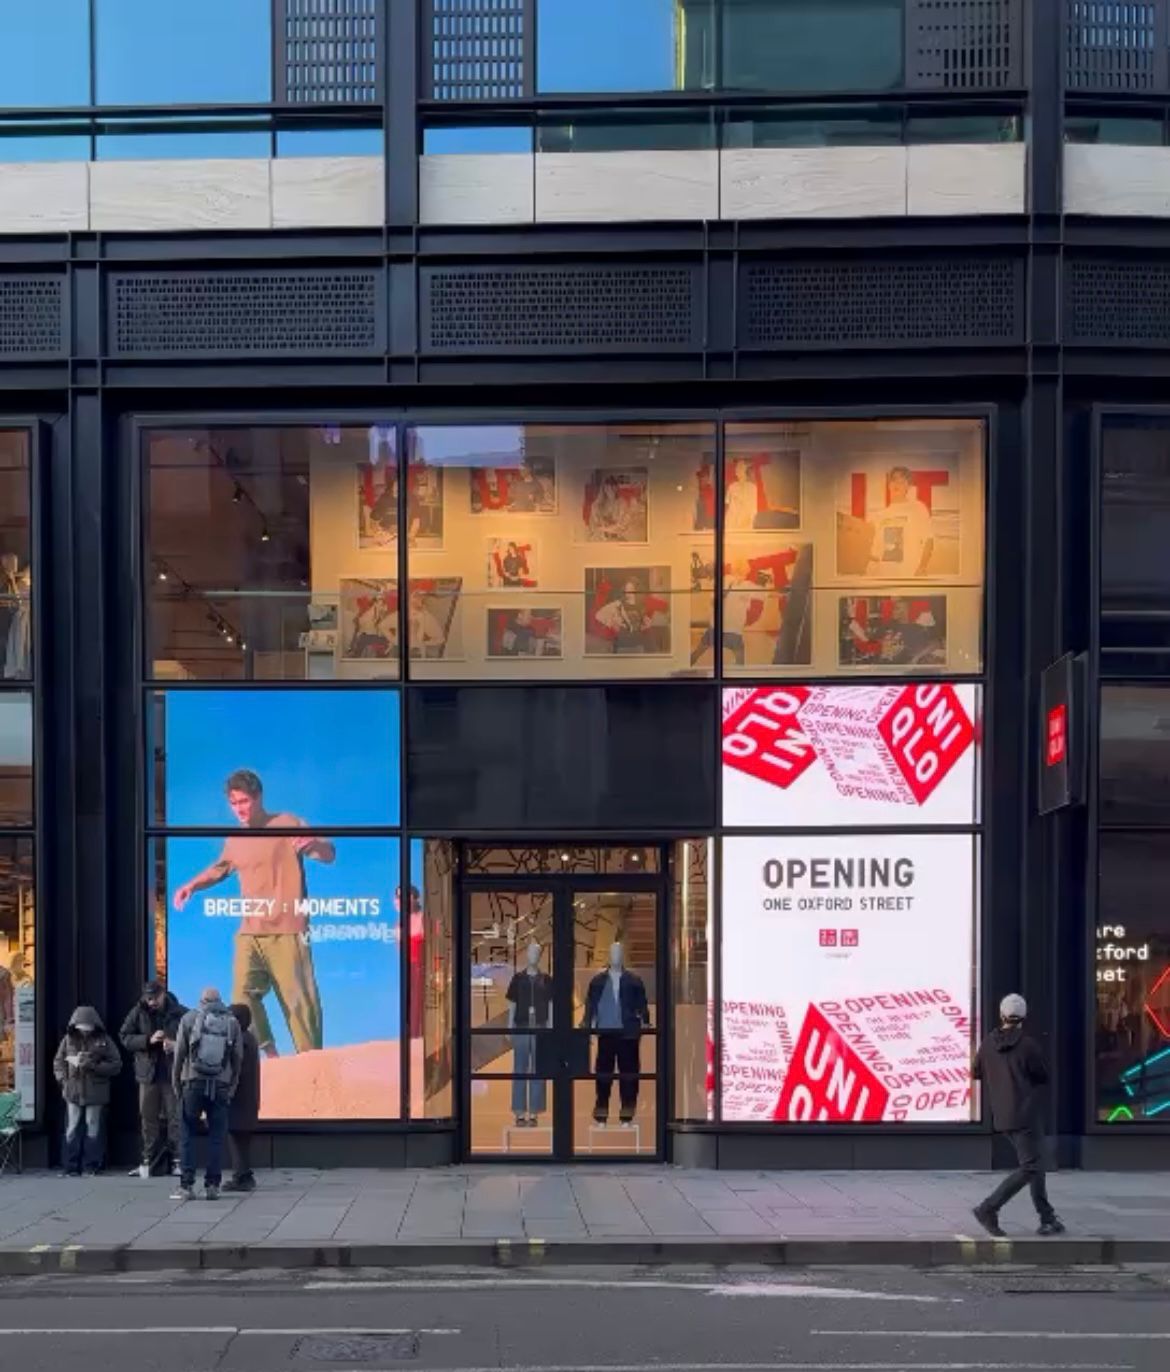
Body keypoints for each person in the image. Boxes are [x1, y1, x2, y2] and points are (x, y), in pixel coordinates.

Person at [172, 769, 333, 1057]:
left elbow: (328, 854)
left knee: (298, 1001)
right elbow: (219, 869)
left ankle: (312, 1062)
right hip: (250, 929)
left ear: (258, 798)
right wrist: (191, 886)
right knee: (242, 996)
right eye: (234, 804)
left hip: (288, 927)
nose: (240, 810)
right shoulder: (235, 840)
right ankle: (269, 1052)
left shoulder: (286, 822)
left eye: (244, 802)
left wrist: (314, 844)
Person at [972, 994, 1065, 1237]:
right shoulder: (1028, 1045)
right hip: (1025, 1115)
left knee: (1035, 1163)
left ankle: (1047, 1218)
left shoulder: (988, 1043)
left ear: (1001, 1015)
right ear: (1023, 1017)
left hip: (1002, 1115)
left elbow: (976, 1072)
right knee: (1031, 1166)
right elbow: (1042, 1075)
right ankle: (988, 1208)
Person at [171, 986, 243, 1202]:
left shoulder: (189, 1018)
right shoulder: (232, 1023)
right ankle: (212, 1186)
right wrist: (232, 1086)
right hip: (220, 1086)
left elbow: (179, 1054)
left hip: (192, 1083)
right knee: (216, 1137)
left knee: (187, 1135)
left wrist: (177, 1084)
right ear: (220, 1000)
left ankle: (186, 1186)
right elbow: (238, 1058)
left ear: (201, 1001)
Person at [120, 979, 186, 1178]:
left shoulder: (180, 1012)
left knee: (175, 1117)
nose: (151, 1002)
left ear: (163, 994)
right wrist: (147, 1040)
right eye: (148, 998)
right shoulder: (137, 1012)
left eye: (155, 997)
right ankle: (149, 1160)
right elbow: (124, 1036)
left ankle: (177, 1161)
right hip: (147, 1074)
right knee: (148, 1118)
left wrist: (175, 1044)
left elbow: (193, 1039)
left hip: (171, 1072)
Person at [52, 1006, 121, 1177]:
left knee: (93, 1127)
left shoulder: (104, 1040)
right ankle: (70, 1166)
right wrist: (63, 1080)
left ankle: (91, 1165)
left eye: (87, 1027)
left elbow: (116, 1064)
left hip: (95, 1091)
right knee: (72, 1127)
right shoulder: (68, 1040)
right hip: (73, 1090)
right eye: (81, 1027)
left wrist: (94, 1066)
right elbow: (58, 1062)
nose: (84, 1031)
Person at [866, 465, 935, 578]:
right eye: (894, 480)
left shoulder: (917, 508)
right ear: (889, 485)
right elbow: (875, 554)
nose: (897, 484)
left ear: (908, 486)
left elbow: (929, 541)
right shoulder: (880, 515)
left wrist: (922, 568)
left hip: (909, 578)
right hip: (884, 578)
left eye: (902, 481)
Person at [223, 1003, 260, 1193]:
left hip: (238, 1100)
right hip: (247, 1100)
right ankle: (244, 1175)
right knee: (241, 1140)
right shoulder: (250, 1038)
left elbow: (233, 1071)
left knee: (236, 1138)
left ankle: (241, 1177)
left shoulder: (241, 1041)